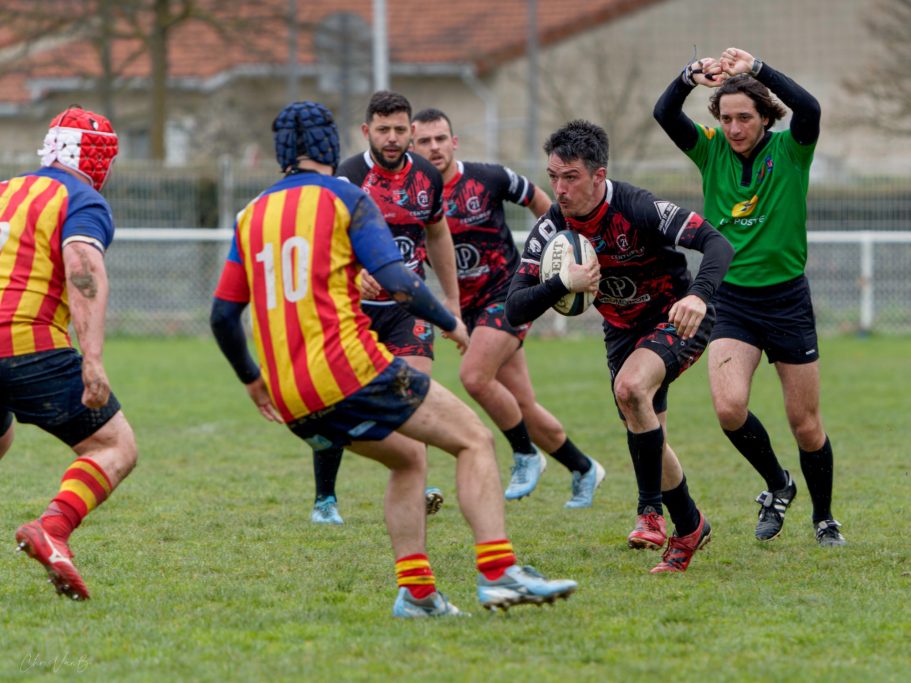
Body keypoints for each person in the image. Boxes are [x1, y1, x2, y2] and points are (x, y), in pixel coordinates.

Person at [210, 100, 577, 616]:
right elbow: (398, 279)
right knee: (473, 440)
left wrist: (252, 380)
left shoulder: (250, 216)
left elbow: (223, 317)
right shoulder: (346, 195)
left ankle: (418, 593)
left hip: (292, 397)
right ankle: (499, 573)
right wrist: (452, 322)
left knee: (408, 459)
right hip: (351, 372)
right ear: (330, 146)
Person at [506, 120, 734, 573]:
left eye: (570, 177)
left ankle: (652, 513)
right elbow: (514, 309)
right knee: (644, 424)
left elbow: (717, 244)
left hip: (677, 317)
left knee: (630, 390)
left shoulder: (638, 206)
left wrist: (698, 295)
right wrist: (559, 284)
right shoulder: (551, 228)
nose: (560, 189)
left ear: (598, 174)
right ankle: (689, 524)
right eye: (553, 177)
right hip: (622, 331)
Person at [653, 48, 846, 547]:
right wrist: (690, 77)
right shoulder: (710, 149)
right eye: (727, 117)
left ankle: (824, 518)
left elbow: (812, 110)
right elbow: (664, 113)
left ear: (765, 117)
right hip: (733, 299)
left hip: (787, 300)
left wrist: (756, 69)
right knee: (728, 408)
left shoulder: (792, 149)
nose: (735, 127)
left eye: (745, 117)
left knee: (805, 425)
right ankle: (779, 485)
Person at [411, 107, 605, 508]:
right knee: (522, 406)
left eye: (440, 138)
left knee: (474, 377)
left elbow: (542, 203)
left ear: (454, 141)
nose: (434, 147)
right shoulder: (414, 196)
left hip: (509, 295)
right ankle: (584, 468)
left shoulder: (488, 178)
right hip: (468, 311)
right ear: (413, 147)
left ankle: (525, 455)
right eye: (424, 141)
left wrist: (559, 253)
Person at [1, 107, 139, 600]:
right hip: (26, 346)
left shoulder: (5, 191)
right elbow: (83, 267)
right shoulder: (81, 198)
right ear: (97, 158)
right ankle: (53, 530)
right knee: (115, 447)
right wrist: (92, 357)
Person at [305, 91, 460, 524]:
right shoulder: (347, 177)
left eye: (398, 130)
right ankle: (325, 500)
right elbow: (322, 241)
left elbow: (438, 234)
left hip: (406, 309)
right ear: (366, 131)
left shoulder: (427, 175)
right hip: (353, 309)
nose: (391, 139)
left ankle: (418, 479)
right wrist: (353, 273)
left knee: (414, 390)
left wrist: (451, 299)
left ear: (411, 131)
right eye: (382, 130)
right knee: (335, 398)